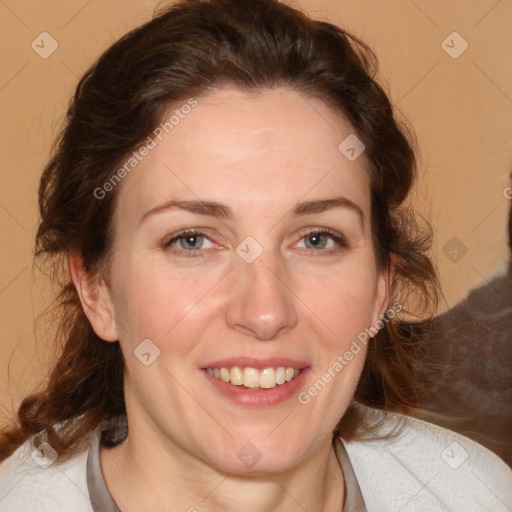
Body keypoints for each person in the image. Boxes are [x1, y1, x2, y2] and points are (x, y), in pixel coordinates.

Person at [0, 0, 510, 510]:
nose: (265, 312)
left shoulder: (481, 494)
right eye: (192, 240)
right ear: (97, 288)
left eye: (316, 239)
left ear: (382, 287)